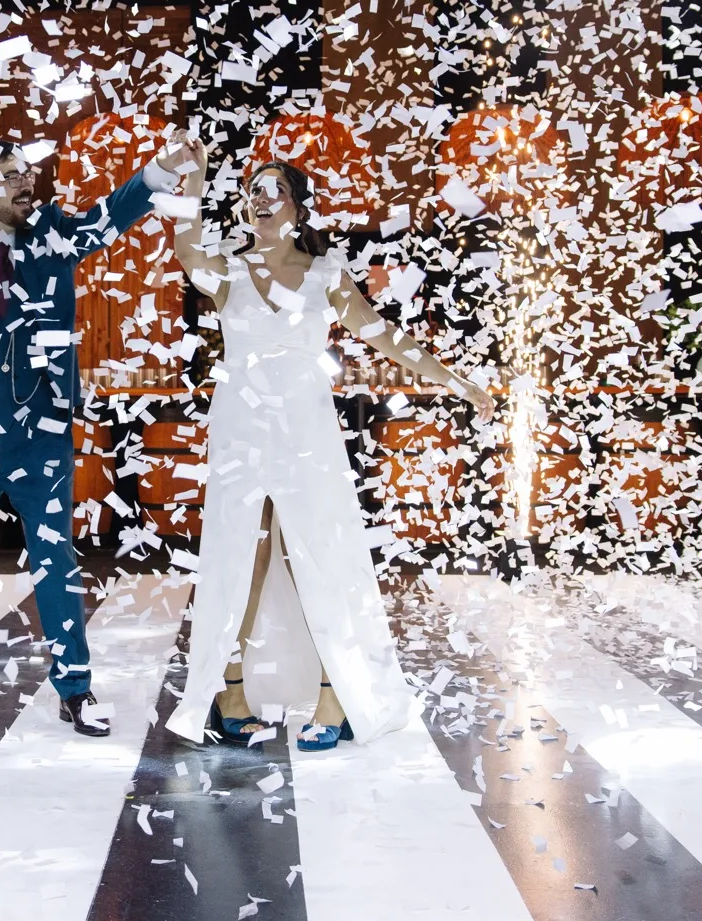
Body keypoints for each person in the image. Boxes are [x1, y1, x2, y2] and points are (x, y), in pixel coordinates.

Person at [165, 147, 495, 751]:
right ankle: (229, 693)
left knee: (315, 557)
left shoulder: (324, 275)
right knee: (242, 560)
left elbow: (386, 337)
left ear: (297, 207)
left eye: (274, 191)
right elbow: (186, 248)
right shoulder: (228, 272)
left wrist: (457, 382)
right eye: (252, 191)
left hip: (305, 432)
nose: (260, 200)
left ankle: (334, 696)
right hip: (240, 430)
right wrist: (195, 176)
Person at [0, 132, 191, 737]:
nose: (26, 184)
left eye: (27, 173)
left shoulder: (55, 237)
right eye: (9, 177)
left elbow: (113, 214)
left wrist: (162, 168)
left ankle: (76, 692)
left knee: (56, 560)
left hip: (43, 434)